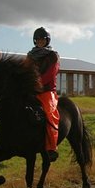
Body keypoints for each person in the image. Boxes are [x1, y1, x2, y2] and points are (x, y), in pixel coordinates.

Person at [27, 27, 60, 162]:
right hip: (31, 90)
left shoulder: (53, 55)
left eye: (43, 40)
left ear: (47, 41)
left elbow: (50, 74)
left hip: (47, 91)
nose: (40, 42)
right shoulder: (30, 56)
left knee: (50, 114)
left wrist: (37, 84)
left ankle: (51, 147)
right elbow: (26, 70)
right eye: (38, 40)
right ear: (35, 41)